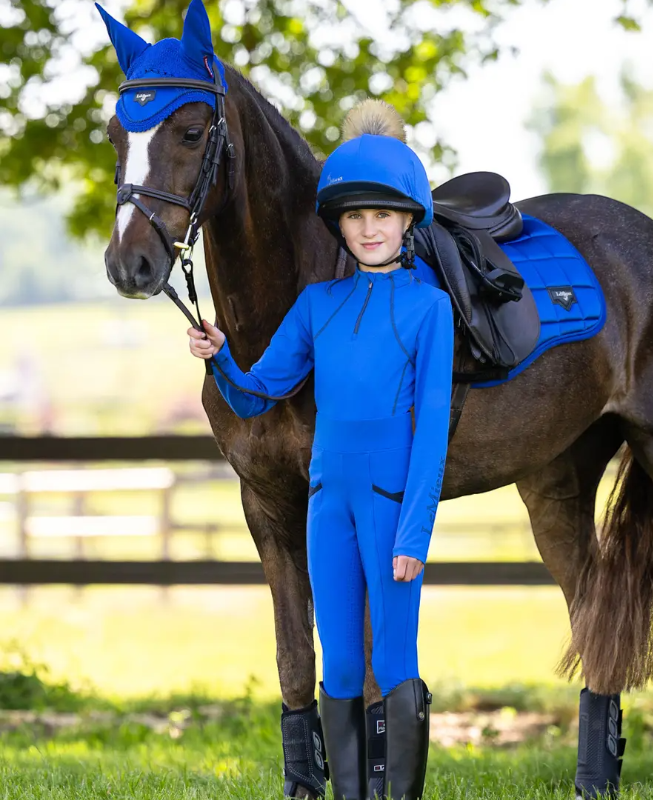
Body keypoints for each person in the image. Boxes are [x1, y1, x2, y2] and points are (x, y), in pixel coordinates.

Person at [188, 99, 454, 800]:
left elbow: (431, 434)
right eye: (356, 216)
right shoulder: (316, 306)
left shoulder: (430, 309)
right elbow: (257, 393)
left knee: (391, 660)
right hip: (325, 508)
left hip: (390, 508)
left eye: (384, 214)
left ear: (408, 221)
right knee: (338, 665)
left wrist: (414, 533)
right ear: (339, 223)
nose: (369, 228)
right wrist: (220, 357)